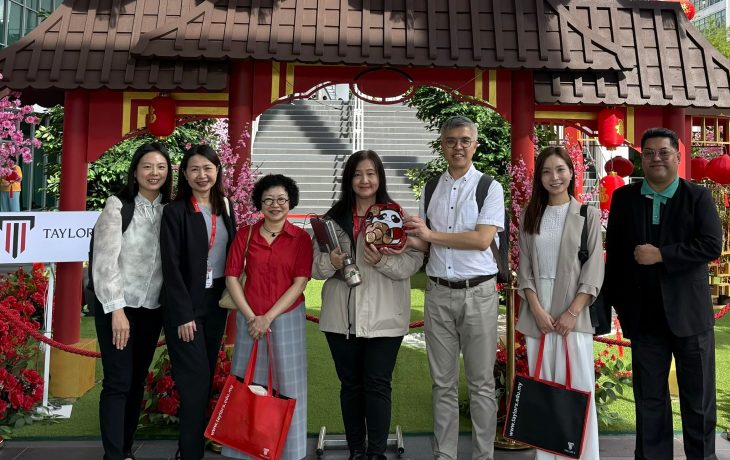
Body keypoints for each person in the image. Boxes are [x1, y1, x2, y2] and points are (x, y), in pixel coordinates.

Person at [605, 127, 722, 460]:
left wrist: (662, 254)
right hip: (645, 322)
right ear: (642, 158)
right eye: (650, 153)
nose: (656, 158)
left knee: (698, 402)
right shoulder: (624, 199)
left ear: (677, 157)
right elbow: (614, 256)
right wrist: (621, 311)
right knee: (650, 402)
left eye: (664, 152)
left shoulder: (696, 197)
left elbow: (712, 245)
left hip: (690, 318)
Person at [312, 150, 424, 460]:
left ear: (380, 178)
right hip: (340, 319)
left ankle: (376, 453)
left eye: (371, 173)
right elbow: (314, 267)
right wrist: (329, 262)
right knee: (350, 387)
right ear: (349, 178)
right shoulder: (330, 220)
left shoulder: (397, 216)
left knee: (377, 385)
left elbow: (414, 260)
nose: (365, 180)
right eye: (358, 174)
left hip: (385, 317)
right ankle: (356, 452)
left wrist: (383, 263)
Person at [406, 115, 505, 460]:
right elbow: (424, 245)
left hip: (478, 293)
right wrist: (394, 240)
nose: (458, 147)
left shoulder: (489, 187)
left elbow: (481, 240)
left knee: (481, 384)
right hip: (437, 293)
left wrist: (430, 235)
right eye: (451, 141)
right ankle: (444, 454)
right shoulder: (432, 188)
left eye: (465, 140)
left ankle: (483, 455)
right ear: (443, 146)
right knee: (442, 384)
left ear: (475, 145)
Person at [516, 146, 603, 459]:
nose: (554, 177)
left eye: (560, 170)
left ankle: (583, 454)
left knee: (579, 387)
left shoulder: (586, 214)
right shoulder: (530, 214)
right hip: (538, 313)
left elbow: (594, 269)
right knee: (545, 388)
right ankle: (547, 455)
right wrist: (537, 310)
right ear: (539, 177)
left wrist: (572, 312)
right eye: (547, 171)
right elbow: (523, 268)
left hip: (573, 314)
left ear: (571, 172)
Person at [222, 174, 313, 460]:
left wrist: (268, 317)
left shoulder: (300, 238)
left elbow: (300, 282)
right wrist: (252, 317)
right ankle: (246, 449)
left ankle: (290, 451)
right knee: (248, 382)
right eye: (269, 200)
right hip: (249, 319)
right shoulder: (245, 234)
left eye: (282, 199)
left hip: (286, 319)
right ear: (260, 203)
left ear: (291, 202)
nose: (276, 205)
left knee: (290, 385)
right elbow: (232, 277)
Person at [92, 143, 173, 460]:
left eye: (161, 167)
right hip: (118, 309)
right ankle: (113, 455)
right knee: (118, 381)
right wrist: (116, 309)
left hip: (152, 309)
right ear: (136, 171)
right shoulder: (118, 206)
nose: (155, 173)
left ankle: (125, 450)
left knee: (137, 381)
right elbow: (104, 263)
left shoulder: (171, 209)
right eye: (148, 166)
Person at [160, 144, 237, 460]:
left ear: (217, 171)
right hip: (186, 307)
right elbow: (171, 266)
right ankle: (191, 453)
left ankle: (187, 447)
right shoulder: (175, 211)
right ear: (186, 175)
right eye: (195, 169)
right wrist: (183, 314)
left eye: (208, 168)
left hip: (216, 303)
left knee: (202, 384)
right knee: (195, 382)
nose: (202, 175)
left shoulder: (226, 207)